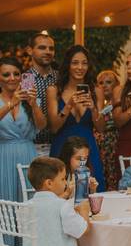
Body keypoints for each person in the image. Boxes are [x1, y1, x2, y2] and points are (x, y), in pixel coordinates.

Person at [0, 57, 44, 246]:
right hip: (3, 158)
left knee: (27, 216)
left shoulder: (28, 101)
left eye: (16, 74)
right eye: (6, 74)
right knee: (6, 214)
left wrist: (35, 104)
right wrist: (9, 104)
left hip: (28, 157)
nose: (11, 78)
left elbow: (42, 126)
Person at [23, 157, 91, 246]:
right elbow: (83, 231)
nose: (66, 183)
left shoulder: (25, 207)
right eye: (63, 179)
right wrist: (84, 211)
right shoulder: (62, 206)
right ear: (49, 183)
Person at [48, 45, 105, 192]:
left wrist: (93, 108)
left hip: (89, 148)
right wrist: (68, 105)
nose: (80, 67)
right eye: (75, 63)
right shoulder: (54, 90)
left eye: (84, 63)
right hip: (62, 147)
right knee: (61, 192)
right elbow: (54, 127)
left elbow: (101, 128)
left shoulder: (96, 91)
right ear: (68, 65)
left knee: (93, 191)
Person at [26, 32, 57, 156]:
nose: (48, 51)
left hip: (58, 144)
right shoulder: (25, 79)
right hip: (33, 147)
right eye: (42, 47)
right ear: (29, 50)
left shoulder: (60, 78)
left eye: (51, 48)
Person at [94, 70, 121, 190]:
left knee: (112, 176)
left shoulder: (119, 102)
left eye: (108, 82)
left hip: (113, 143)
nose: (104, 85)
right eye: (100, 83)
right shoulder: (97, 103)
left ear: (116, 84)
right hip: (97, 145)